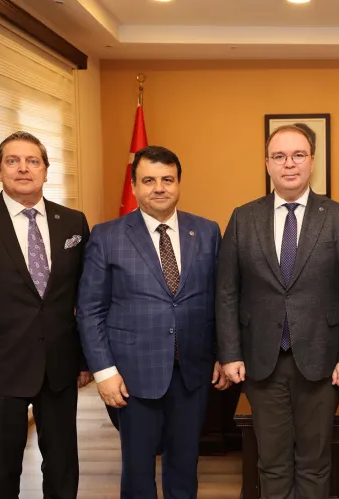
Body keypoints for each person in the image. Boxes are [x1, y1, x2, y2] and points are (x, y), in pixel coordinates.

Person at [216, 124, 339, 499]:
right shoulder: (243, 218)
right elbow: (227, 292)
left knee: (315, 463)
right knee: (271, 462)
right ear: (267, 163)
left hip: (323, 362)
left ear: (312, 161)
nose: (289, 164)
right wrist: (230, 353)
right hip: (261, 362)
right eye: (280, 156)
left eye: (298, 155)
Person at [0, 131, 91, 499]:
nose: (23, 168)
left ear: (45, 170)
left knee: (63, 469)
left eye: (32, 161)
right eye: (13, 160)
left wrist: (85, 359)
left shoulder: (72, 222)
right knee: (2, 473)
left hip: (59, 368)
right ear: (0, 170)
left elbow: (86, 299)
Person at [77, 145, 228, 499]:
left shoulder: (206, 231)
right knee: (138, 469)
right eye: (149, 180)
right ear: (134, 186)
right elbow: (90, 309)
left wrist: (222, 353)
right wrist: (104, 372)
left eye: (167, 180)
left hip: (192, 369)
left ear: (178, 183)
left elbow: (219, 299)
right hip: (132, 374)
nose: (159, 188)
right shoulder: (107, 235)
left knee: (185, 464)